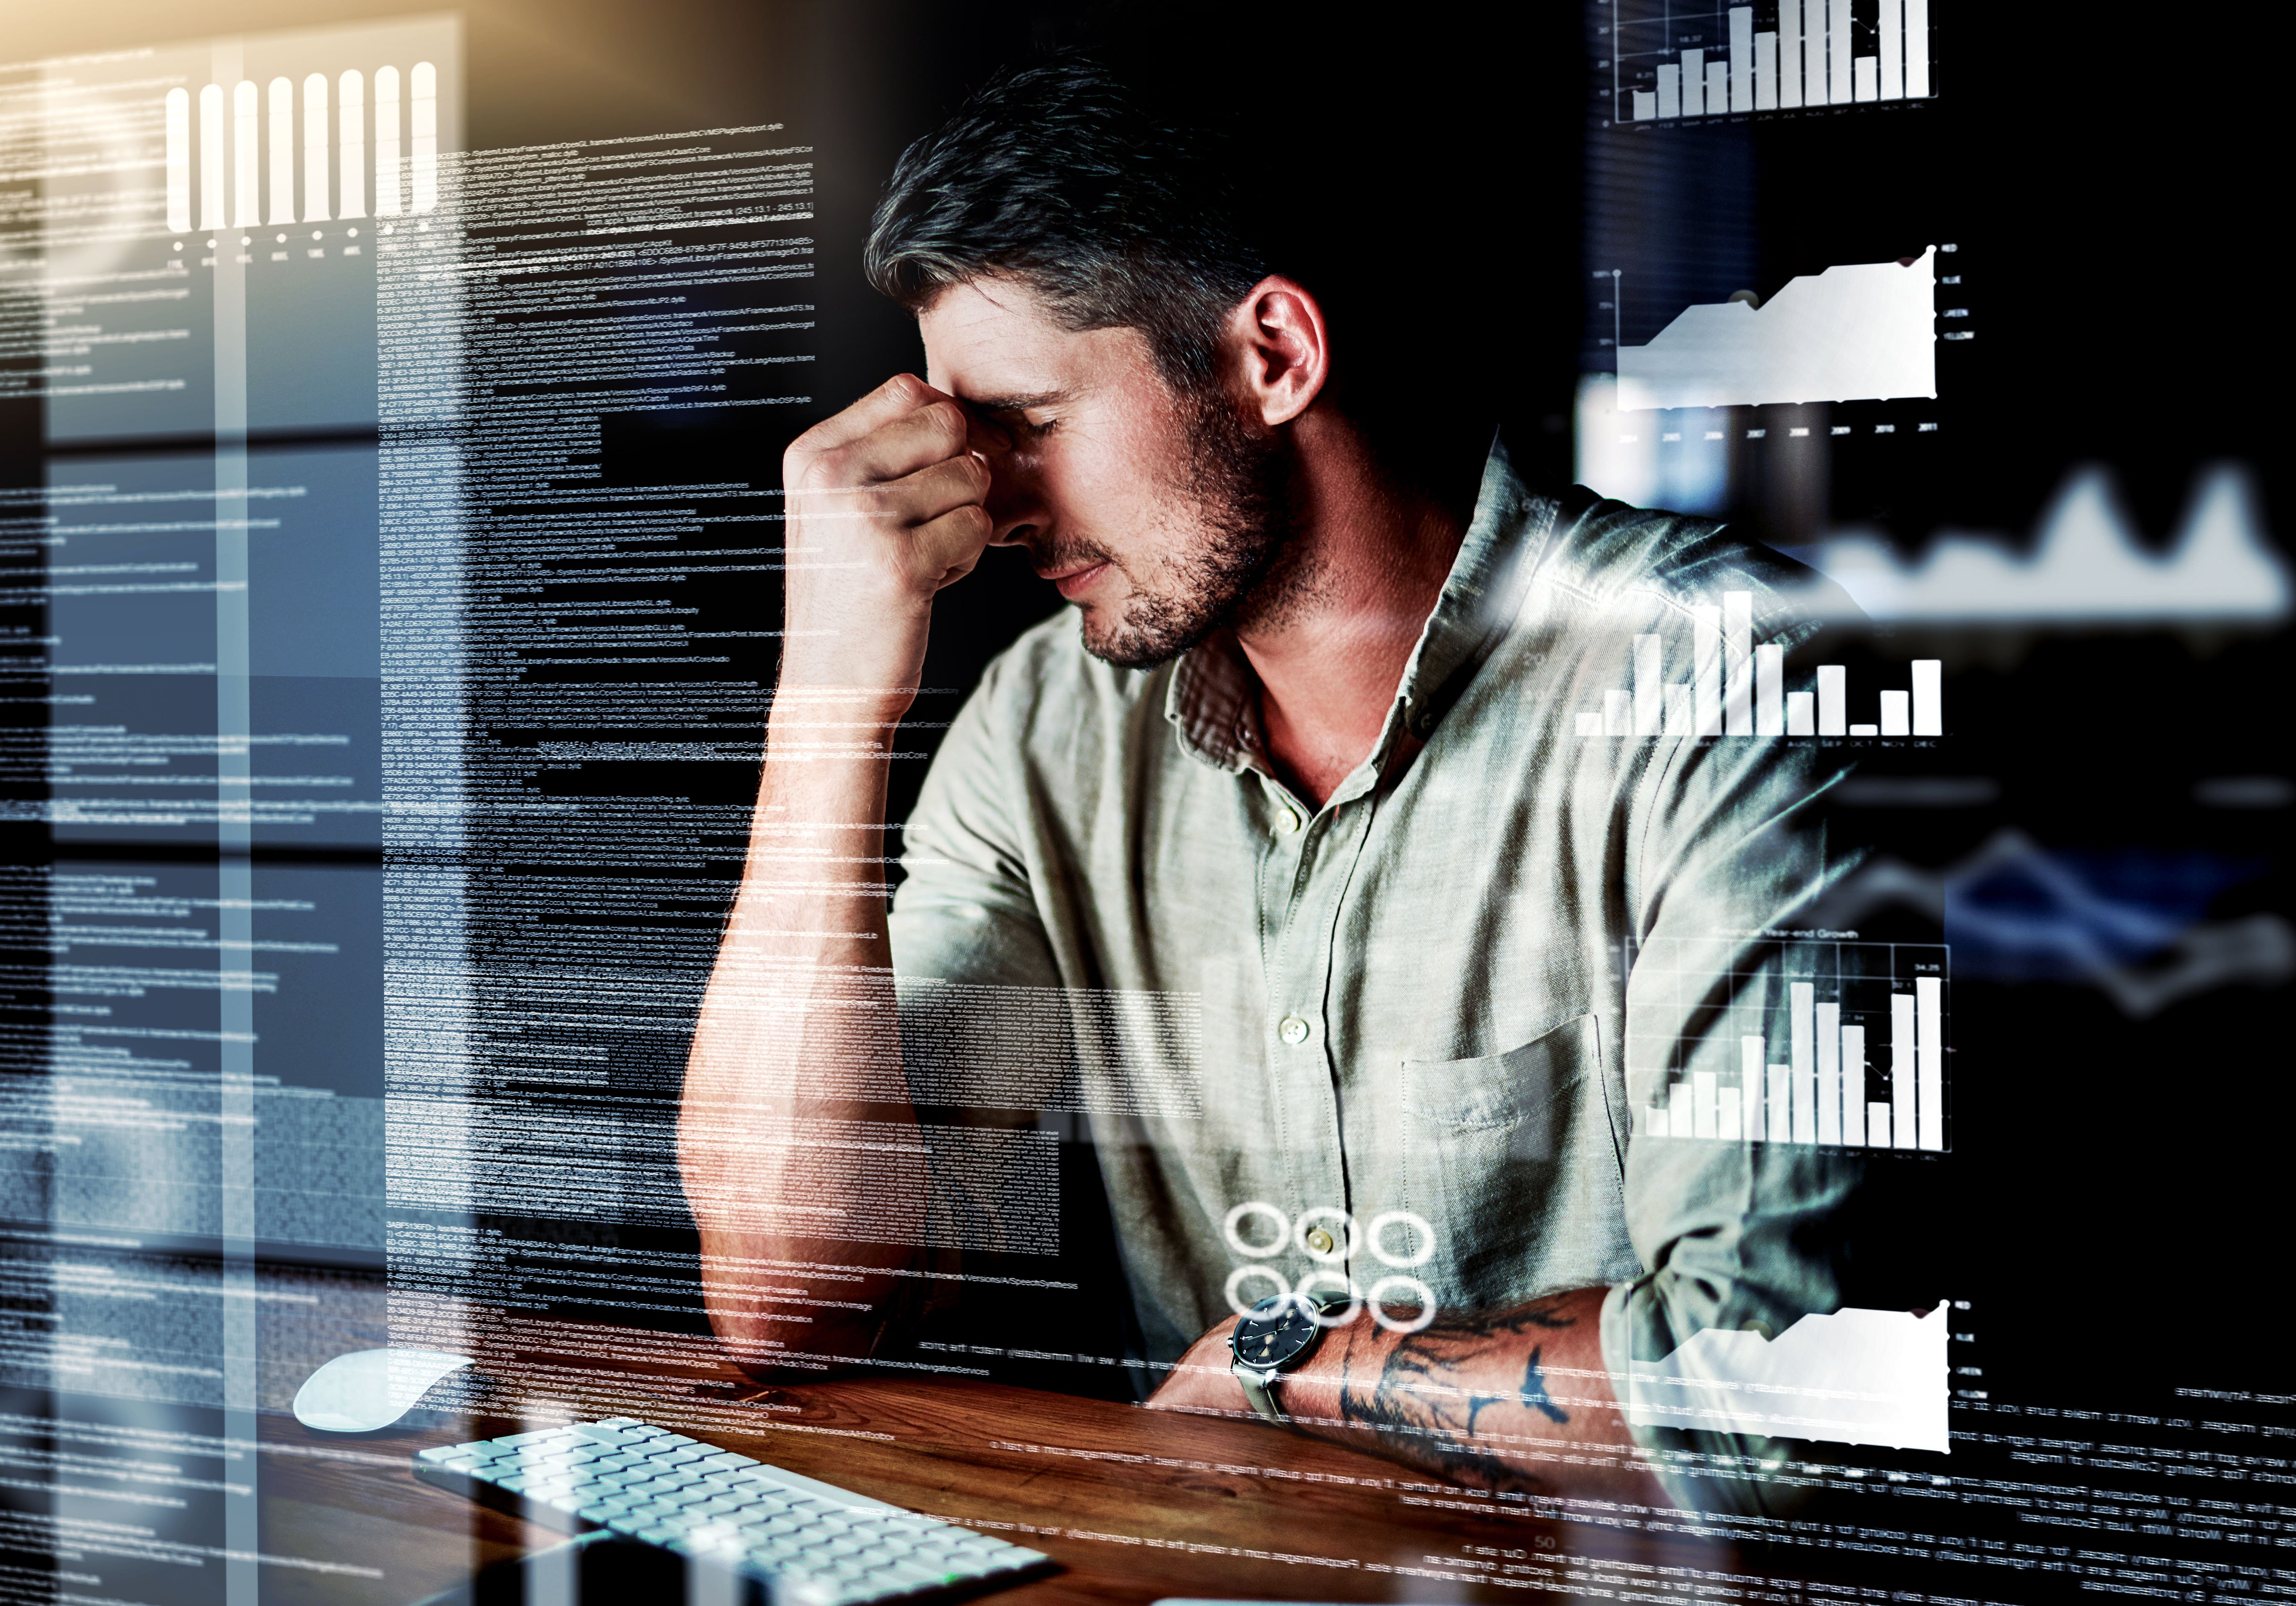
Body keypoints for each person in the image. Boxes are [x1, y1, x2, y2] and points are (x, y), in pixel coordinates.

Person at [679, 57, 1863, 1510]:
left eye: (1031, 424)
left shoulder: (1725, 676)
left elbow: (1783, 1391)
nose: (993, 510)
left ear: (1275, 356)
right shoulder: (1045, 730)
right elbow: (794, 1302)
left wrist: (1279, 1364)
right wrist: (825, 711)